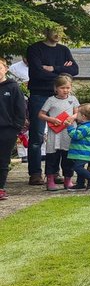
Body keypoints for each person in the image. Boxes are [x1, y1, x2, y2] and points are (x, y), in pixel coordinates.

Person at [25, 26, 79, 185]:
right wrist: (62, 72)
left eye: (61, 32)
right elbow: (37, 73)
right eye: (55, 31)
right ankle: (35, 173)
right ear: (46, 32)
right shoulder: (35, 49)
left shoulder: (64, 50)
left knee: (61, 133)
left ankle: (54, 172)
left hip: (62, 97)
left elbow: (74, 70)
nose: (58, 35)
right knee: (37, 135)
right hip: (40, 94)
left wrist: (53, 68)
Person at [37, 74, 78, 192]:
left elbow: (77, 112)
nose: (65, 90)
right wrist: (52, 119)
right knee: (52, 157)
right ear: (56, 88)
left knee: (68, 157)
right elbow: (41, 114)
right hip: (55, 133)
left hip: (68, 132)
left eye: (68, 88)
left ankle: (68, 179)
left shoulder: (73, 99)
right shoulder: (51, 100)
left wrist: (72, 117)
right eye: (62, 88)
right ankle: (50, 179)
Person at [0, 58, 27, 200]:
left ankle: (1, 188)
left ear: (6, 69)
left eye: (0, 67)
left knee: (3, 160)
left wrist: (16, 128)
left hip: (7, 130)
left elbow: (20, 110)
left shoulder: (13, 87)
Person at [66, 103, 90, 192]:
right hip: (80, 152)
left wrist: (69, 126)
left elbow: (76, 136)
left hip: (83, 152)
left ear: (84, 116)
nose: (76, 116)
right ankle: (80, 183)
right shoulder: (85, 125)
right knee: (79, 167)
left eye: (78, 114)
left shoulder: (85, 127)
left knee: (77, 167)